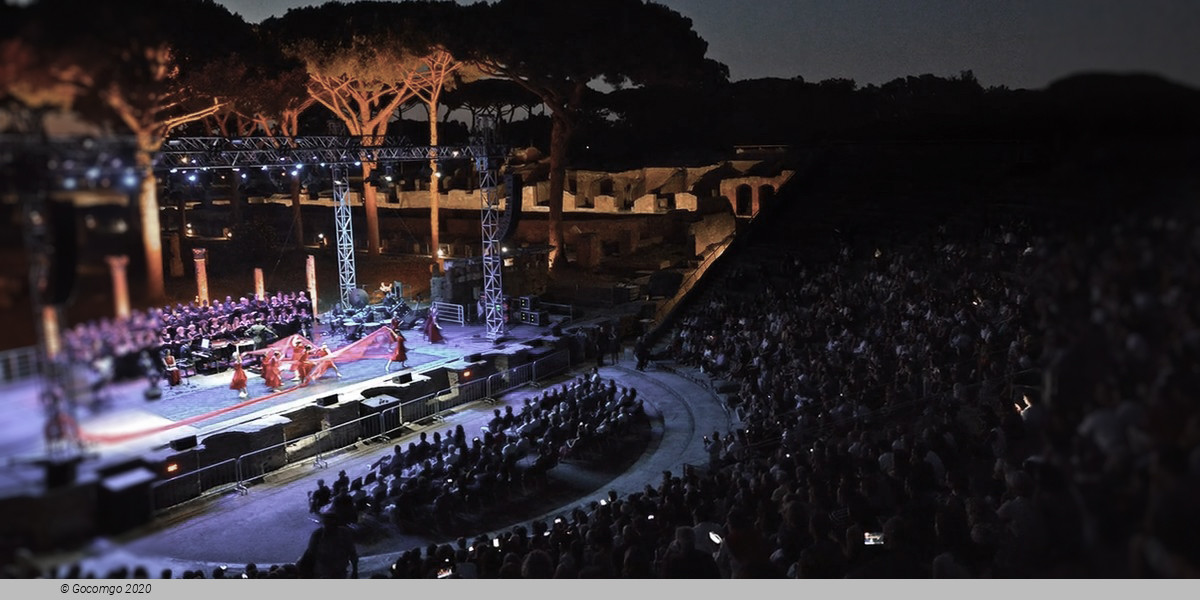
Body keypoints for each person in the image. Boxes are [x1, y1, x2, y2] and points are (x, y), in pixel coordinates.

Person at [300, 512, 358, 579]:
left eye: (331, 524)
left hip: (340, 570)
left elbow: (352, 553)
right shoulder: (318, 535)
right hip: (323, 572)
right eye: (327, 523)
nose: (329, 527)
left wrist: (355, 571)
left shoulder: (344, 534)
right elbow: (311, 553)